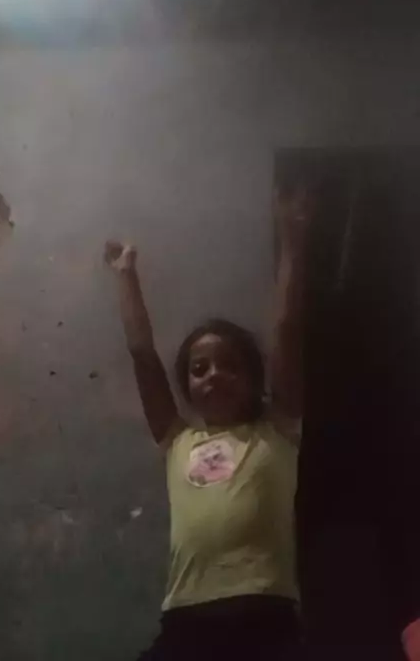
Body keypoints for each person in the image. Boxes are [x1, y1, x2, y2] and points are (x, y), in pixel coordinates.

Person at [104, 191, 308, 661]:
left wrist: (294, 239)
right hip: (186, 620)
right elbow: (142, 354)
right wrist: (125, 275)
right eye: (200, 369)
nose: (214, 374)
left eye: (229, 365)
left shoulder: (277, 431)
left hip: (265, 617)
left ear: (254, 379)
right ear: (188, 386)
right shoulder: (178, 440)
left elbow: (287, 326)